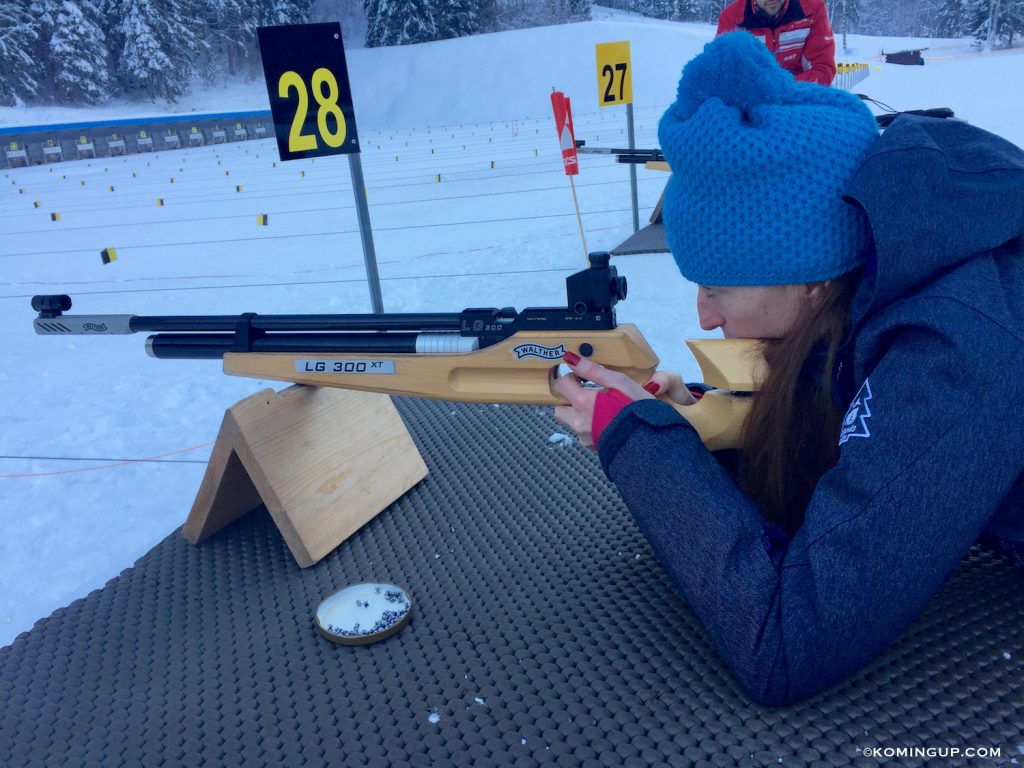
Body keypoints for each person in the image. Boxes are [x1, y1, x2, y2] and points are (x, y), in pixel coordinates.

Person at [553, 31, 1024, 706]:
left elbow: (786, 642)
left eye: (718, 286)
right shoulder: (888, 269)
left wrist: (642, 447)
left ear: (807, 278)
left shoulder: (955, 347)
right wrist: (699, 426)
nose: (706, 315)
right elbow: (846, 476)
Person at [716, 0, 836, 85]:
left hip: (800, 98)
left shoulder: (812, 11)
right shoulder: (731, 19)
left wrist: (783, 88)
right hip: (750, 102)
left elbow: (822, 68)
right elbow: (721, 73)